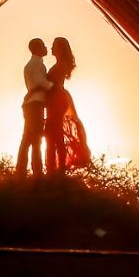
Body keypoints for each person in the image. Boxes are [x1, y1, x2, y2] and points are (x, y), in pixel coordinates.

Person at [44, 35, 92, 174]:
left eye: (54, 45)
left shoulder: (60, 65)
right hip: (56, 100)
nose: (51, 47)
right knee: (54, 135)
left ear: (60, 48)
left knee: (54, 136)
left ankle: (55, 170)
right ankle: (55, 169)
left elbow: (52, 85)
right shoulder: (60, 64)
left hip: (57, 100)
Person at [17, 38, 51, 175]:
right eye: (43, 45)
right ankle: (36, 171)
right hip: (35, 104)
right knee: (34, 139)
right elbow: (39, 83)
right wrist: (55, 88)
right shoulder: (37, 64)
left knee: (29, 138)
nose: (46, 47)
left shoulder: (33, 64)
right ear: (37, 48)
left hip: (32, 103)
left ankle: (24, 170)